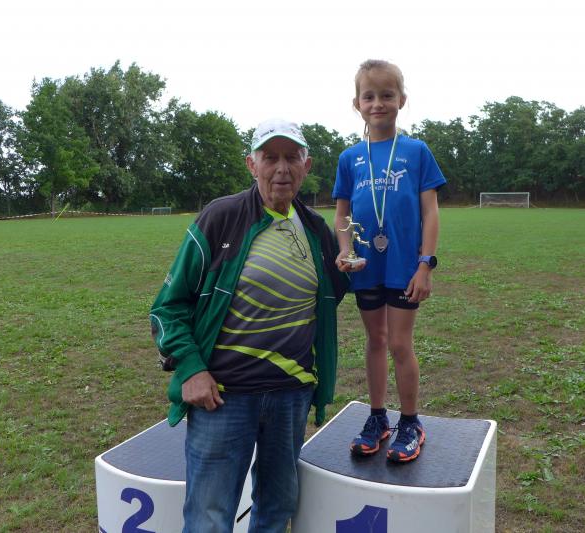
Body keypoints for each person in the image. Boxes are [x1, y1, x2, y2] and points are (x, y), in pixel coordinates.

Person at [150, 119, 348, 532]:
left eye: (292, 157)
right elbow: (168, 307)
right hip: (223, 397)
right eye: (270, 157)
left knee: (276, 511)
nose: (282, 168)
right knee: (209, 518)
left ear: (307, 166)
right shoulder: (220, 217)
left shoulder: (316, 229)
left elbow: (331, 295)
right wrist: (190, 369)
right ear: (251, 165)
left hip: (291, 394)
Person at [332, 60, 446, 463]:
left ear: (402, 100)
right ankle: (378, 417)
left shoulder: (416, 151)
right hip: (366, 267)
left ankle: (410, 422)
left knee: (399, 343)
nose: (377, 103)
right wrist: (345, 249)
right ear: (357, 104)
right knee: (375, 341)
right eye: (369, 96)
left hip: (403, 267)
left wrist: (425, 264)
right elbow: (342, 214)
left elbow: (430, 212)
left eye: (386, 95)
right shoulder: (350, 158)